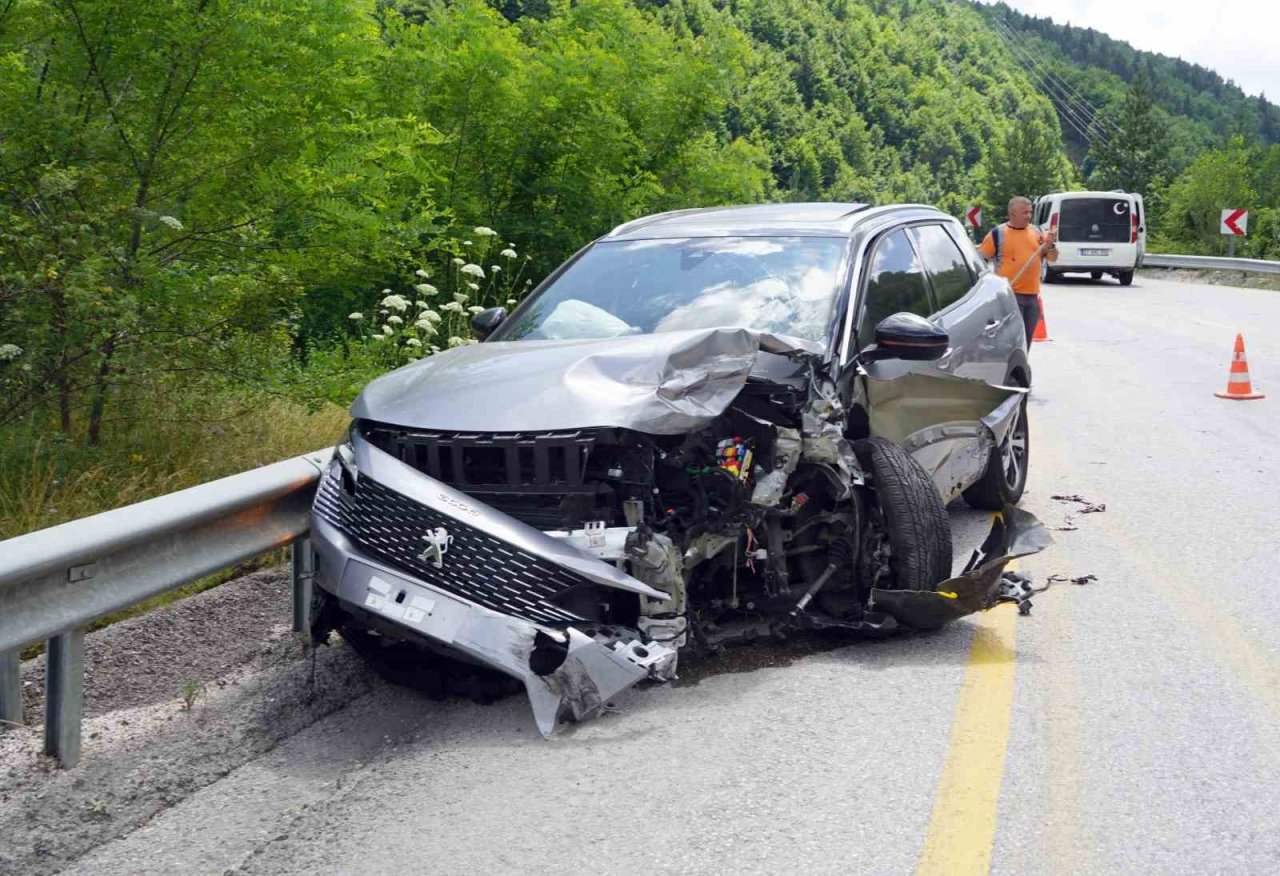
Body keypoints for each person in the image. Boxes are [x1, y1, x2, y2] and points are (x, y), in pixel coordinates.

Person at [978, 196, 1058, 347]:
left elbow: (1052, 258)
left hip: (1032, 298)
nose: (1029, 216)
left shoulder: (1036, 232)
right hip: (1010, 297)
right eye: (1025, 212)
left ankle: (1020, 367)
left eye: (1030, 212)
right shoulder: (997, 234)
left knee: (1025, 342)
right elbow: (979, 263)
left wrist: (1050, 245)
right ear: (1012, 213)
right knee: (1012, 342)